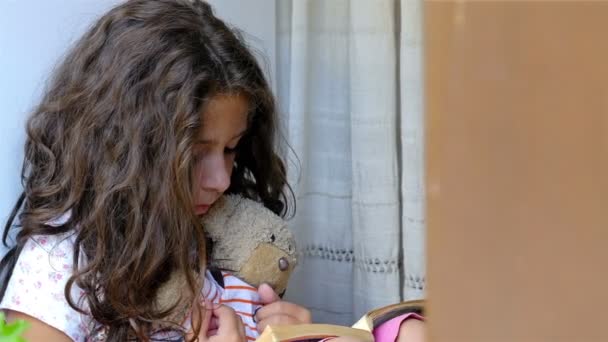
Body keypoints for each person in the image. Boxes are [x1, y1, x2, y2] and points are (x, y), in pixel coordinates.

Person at [0, 0, 310, 341]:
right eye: (192, 156)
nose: (221, 181)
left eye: (231, 148)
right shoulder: (58, 269)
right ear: (124, 150)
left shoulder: (220, 235)